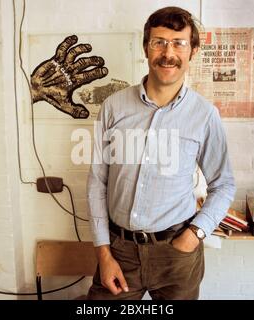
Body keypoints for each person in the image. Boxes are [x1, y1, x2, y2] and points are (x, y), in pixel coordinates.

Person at [86, 6, 236, 300]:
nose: (168, 53)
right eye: (159, 42)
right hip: (120, 253)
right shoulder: (114, 107)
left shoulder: (204, 115)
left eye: (179, 43)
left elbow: (224, 184)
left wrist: (195, 235)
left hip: (177, 254)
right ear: (146, 48)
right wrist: (104, 253)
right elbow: (96, 182)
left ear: (192, 50)